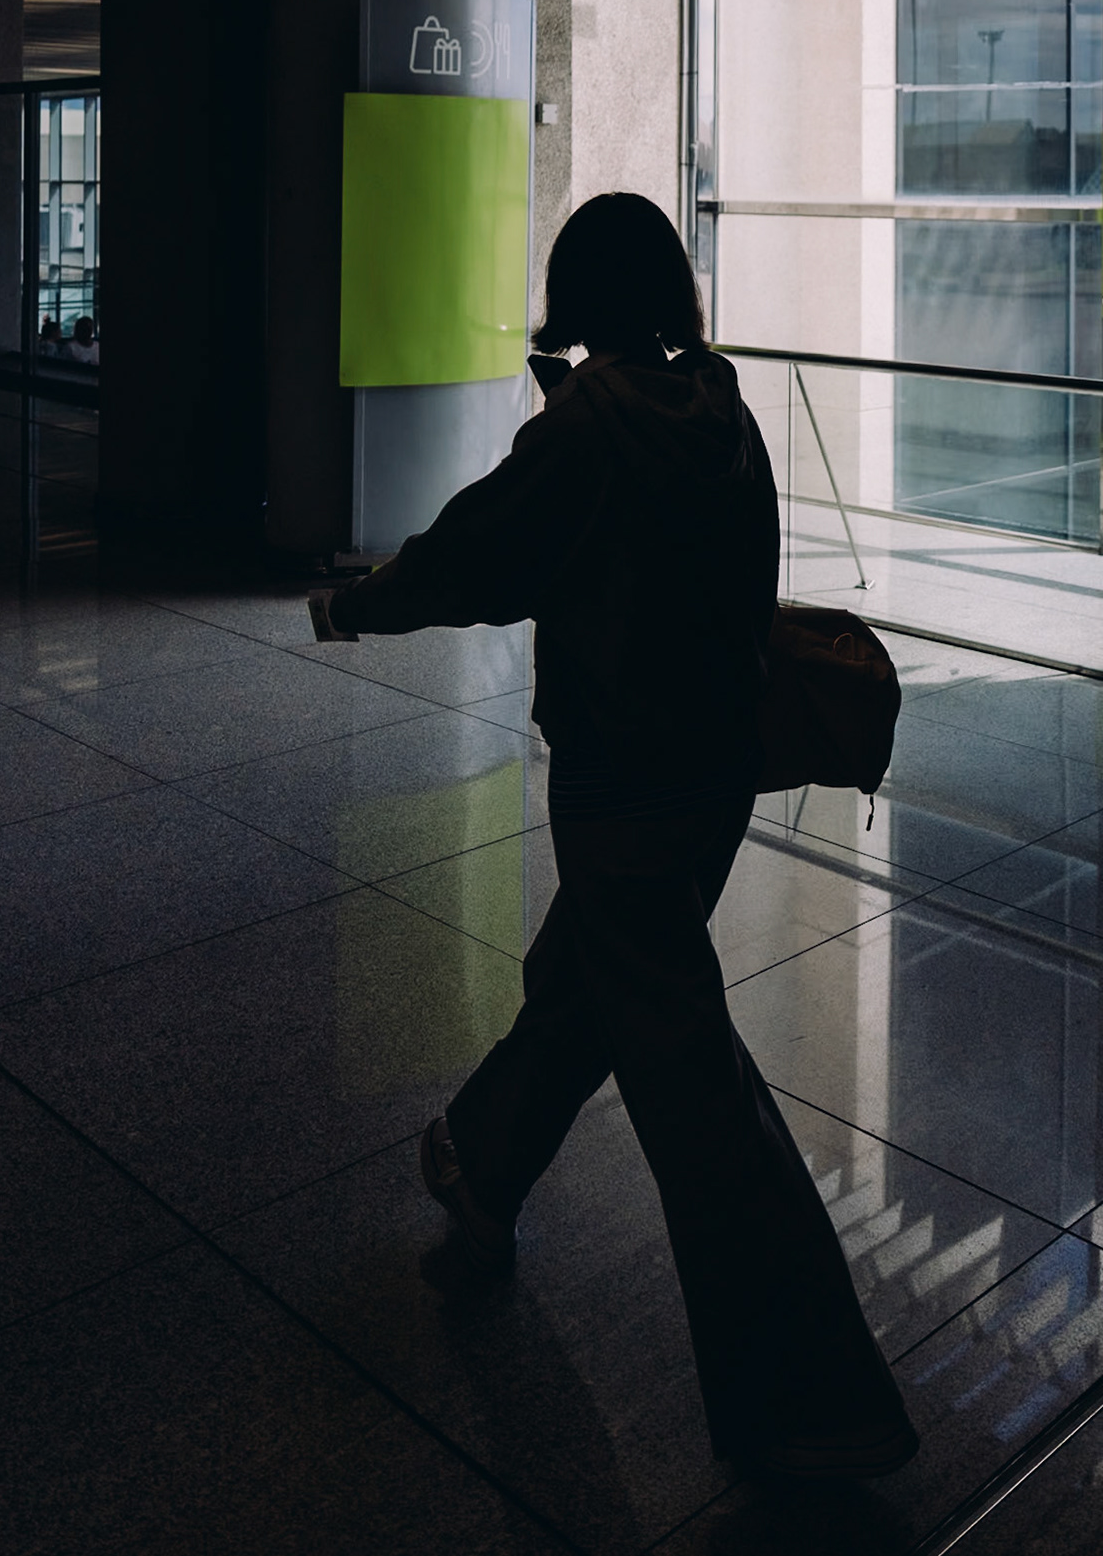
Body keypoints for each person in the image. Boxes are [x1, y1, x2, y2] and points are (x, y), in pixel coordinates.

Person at [314, 192, 919, 1481]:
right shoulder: (728, 411)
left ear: (579, 295)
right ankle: (479, 1179)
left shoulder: (591, 427)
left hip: (617, 783)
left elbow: (479, 553)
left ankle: (816, 1398)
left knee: (688, 1082)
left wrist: (359, 604)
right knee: (584, 986)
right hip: (709, 782)